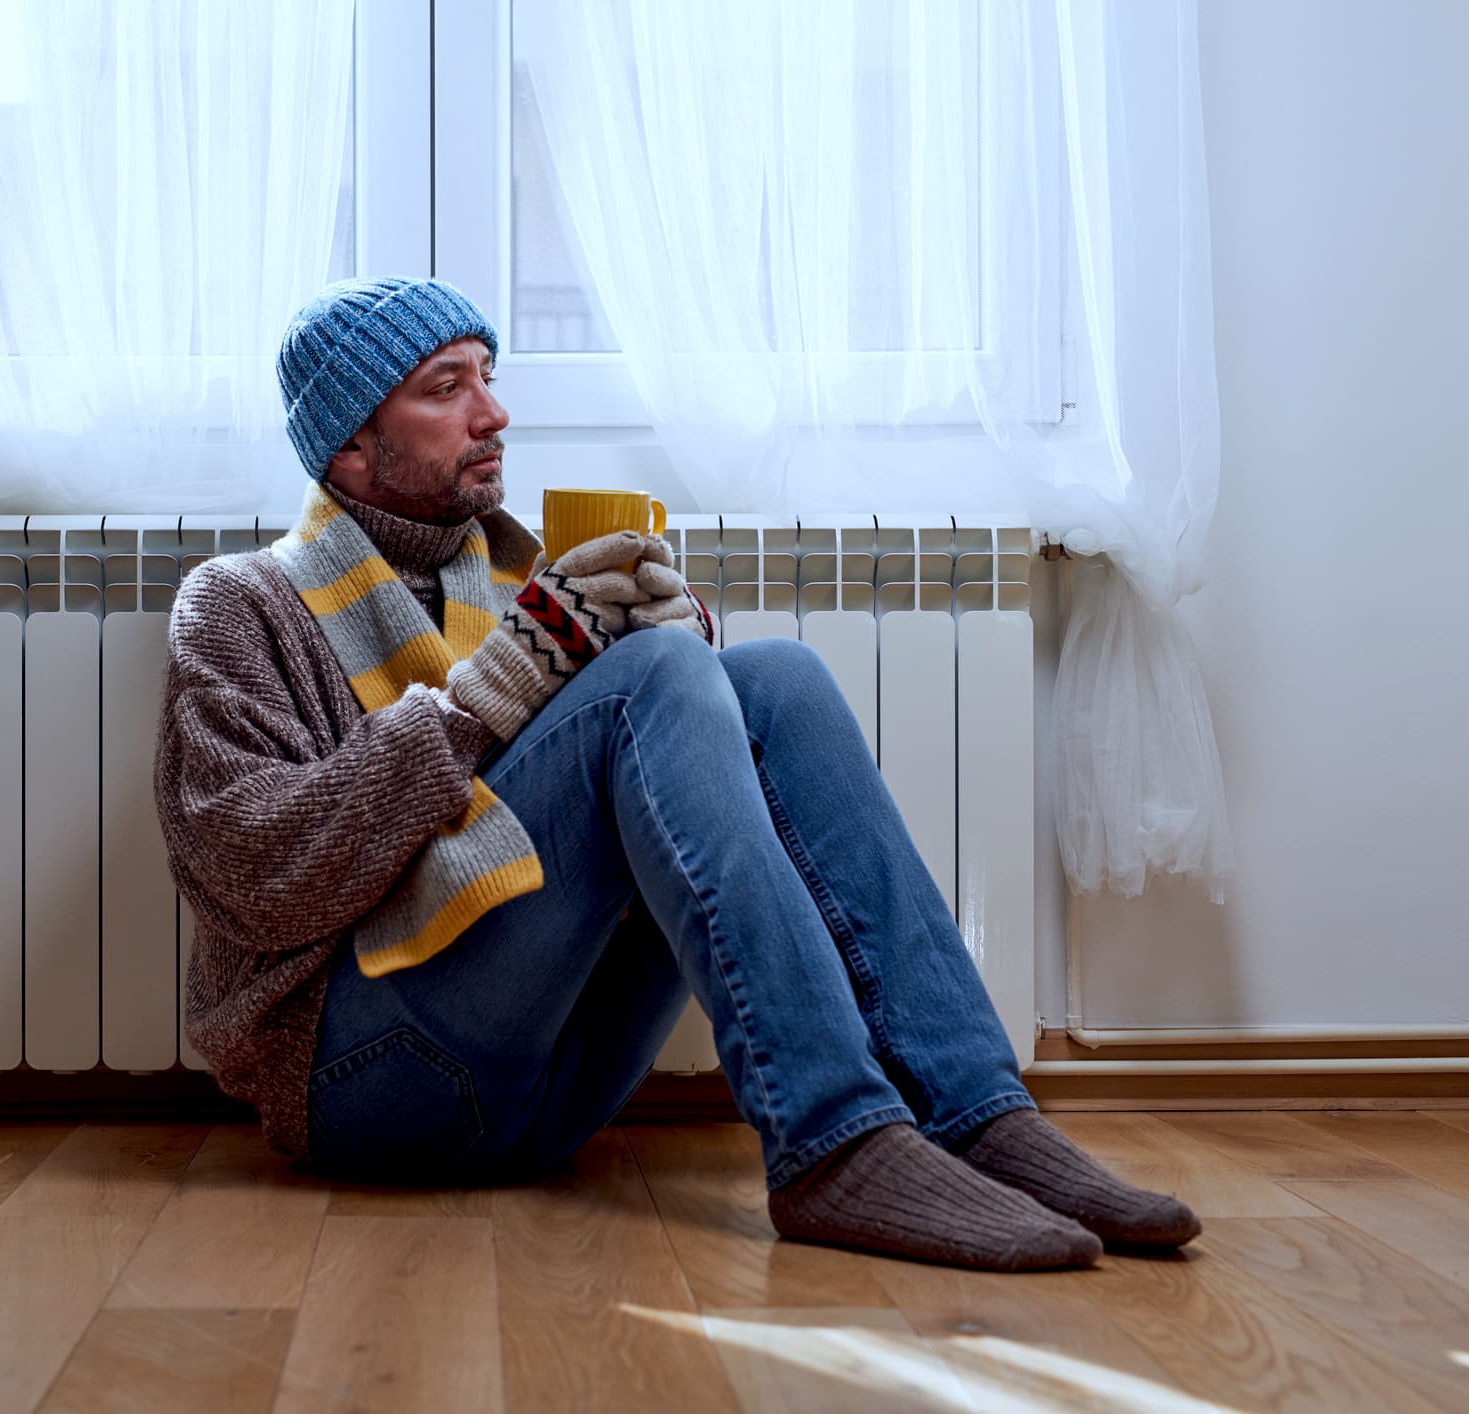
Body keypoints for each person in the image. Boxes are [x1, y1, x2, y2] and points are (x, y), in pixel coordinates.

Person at [153, 276, 1200, 1271]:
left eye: (487, 374)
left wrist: (677, 657)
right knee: (656, 675)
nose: (495, 411)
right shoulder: (240, 603)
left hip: (552, 1079)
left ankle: (979, 1114)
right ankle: (834, 1145)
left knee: (773, 677)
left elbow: (651, 780)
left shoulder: (525, 579)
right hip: (362, 1079)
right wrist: (492, 699)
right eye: (446, 388)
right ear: (349, 449)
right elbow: (249, 877)